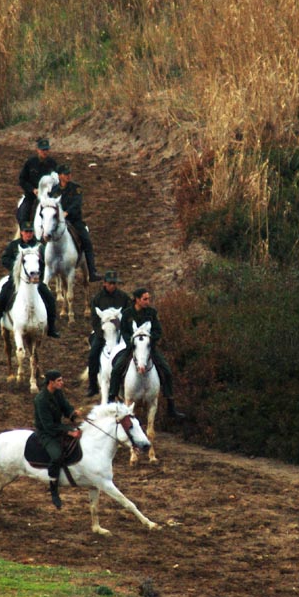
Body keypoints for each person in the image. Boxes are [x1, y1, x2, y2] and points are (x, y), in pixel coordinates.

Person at [107, 287, 186, 419]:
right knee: (116, 369)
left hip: (149, 348)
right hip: (132, 348)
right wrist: (132, 341)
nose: (147, 301)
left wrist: (149, 339)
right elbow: (124, 332)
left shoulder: (152, 312)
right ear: (137, 300)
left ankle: (171, 406)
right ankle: (111, 400)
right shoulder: (127, 314)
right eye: (145, 299)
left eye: (148, 299)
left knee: (166, 371)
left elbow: (157, 331)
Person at [0, 223, 60, 340]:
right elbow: (4, 259)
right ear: (21, 232)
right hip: (16, 280)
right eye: (26, 232)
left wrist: (38, 271)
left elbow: (47, 261)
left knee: (50, 299)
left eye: (30, 232)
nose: (28, 234)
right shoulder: (14, 245)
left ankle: (51, 328)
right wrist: (16, 268)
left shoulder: (39, 247)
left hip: (35, 280)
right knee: (0, 300)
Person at [34, 369, 82, 509]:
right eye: (59, 381)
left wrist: (73, 414)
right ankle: (54, 489)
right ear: (51, 382)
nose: (62, 383)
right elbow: (48, 426)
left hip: (58, 428)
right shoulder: (40, 400)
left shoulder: (58, 393)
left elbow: (66, 408)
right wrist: (69, 432)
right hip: (46, 433)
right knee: (56, 456)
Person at [85, 270, 132, 397]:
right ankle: (93, 385)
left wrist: (122, 327)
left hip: (120, 331)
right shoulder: (97, 299)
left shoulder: (123, 297)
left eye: (114, 283)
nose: (113, 286)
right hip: (102, 331)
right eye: (110, 283)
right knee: (93, 354)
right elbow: (94, 319)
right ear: (104, 283)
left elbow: (129, 314)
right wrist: (101, 334)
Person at [51, 163, 101, 282]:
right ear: (59, 176)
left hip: (74, 221)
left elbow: (77, 203)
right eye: (65, 174)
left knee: (87, 242)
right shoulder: (54, 190)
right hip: (59, 222)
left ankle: (92, 271)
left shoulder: (76, 188)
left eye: (69, 174)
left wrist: (67, 212)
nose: (68, 176)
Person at [17, 137, 58, 227]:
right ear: (37, 150)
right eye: (42, 150)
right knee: (23, 215)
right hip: (32, 196)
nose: (44, 152)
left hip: (48, 197)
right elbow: (22, 180)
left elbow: (56, 181)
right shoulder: (30, 163)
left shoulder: (53, 164)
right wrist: (33, 190)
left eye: (46, 149)